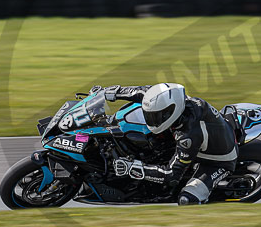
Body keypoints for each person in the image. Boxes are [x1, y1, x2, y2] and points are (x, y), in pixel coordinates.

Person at [100, 83, 237, 205]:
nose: (151, 120)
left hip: (217, 161)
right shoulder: (168, 99)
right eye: (149, 115)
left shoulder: (188, 135)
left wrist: (134, 168)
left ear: (172, 111)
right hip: (204, 141)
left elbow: (171, 175)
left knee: (186, 199)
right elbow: (137, 92)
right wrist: (106, 93)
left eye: (157, 116)